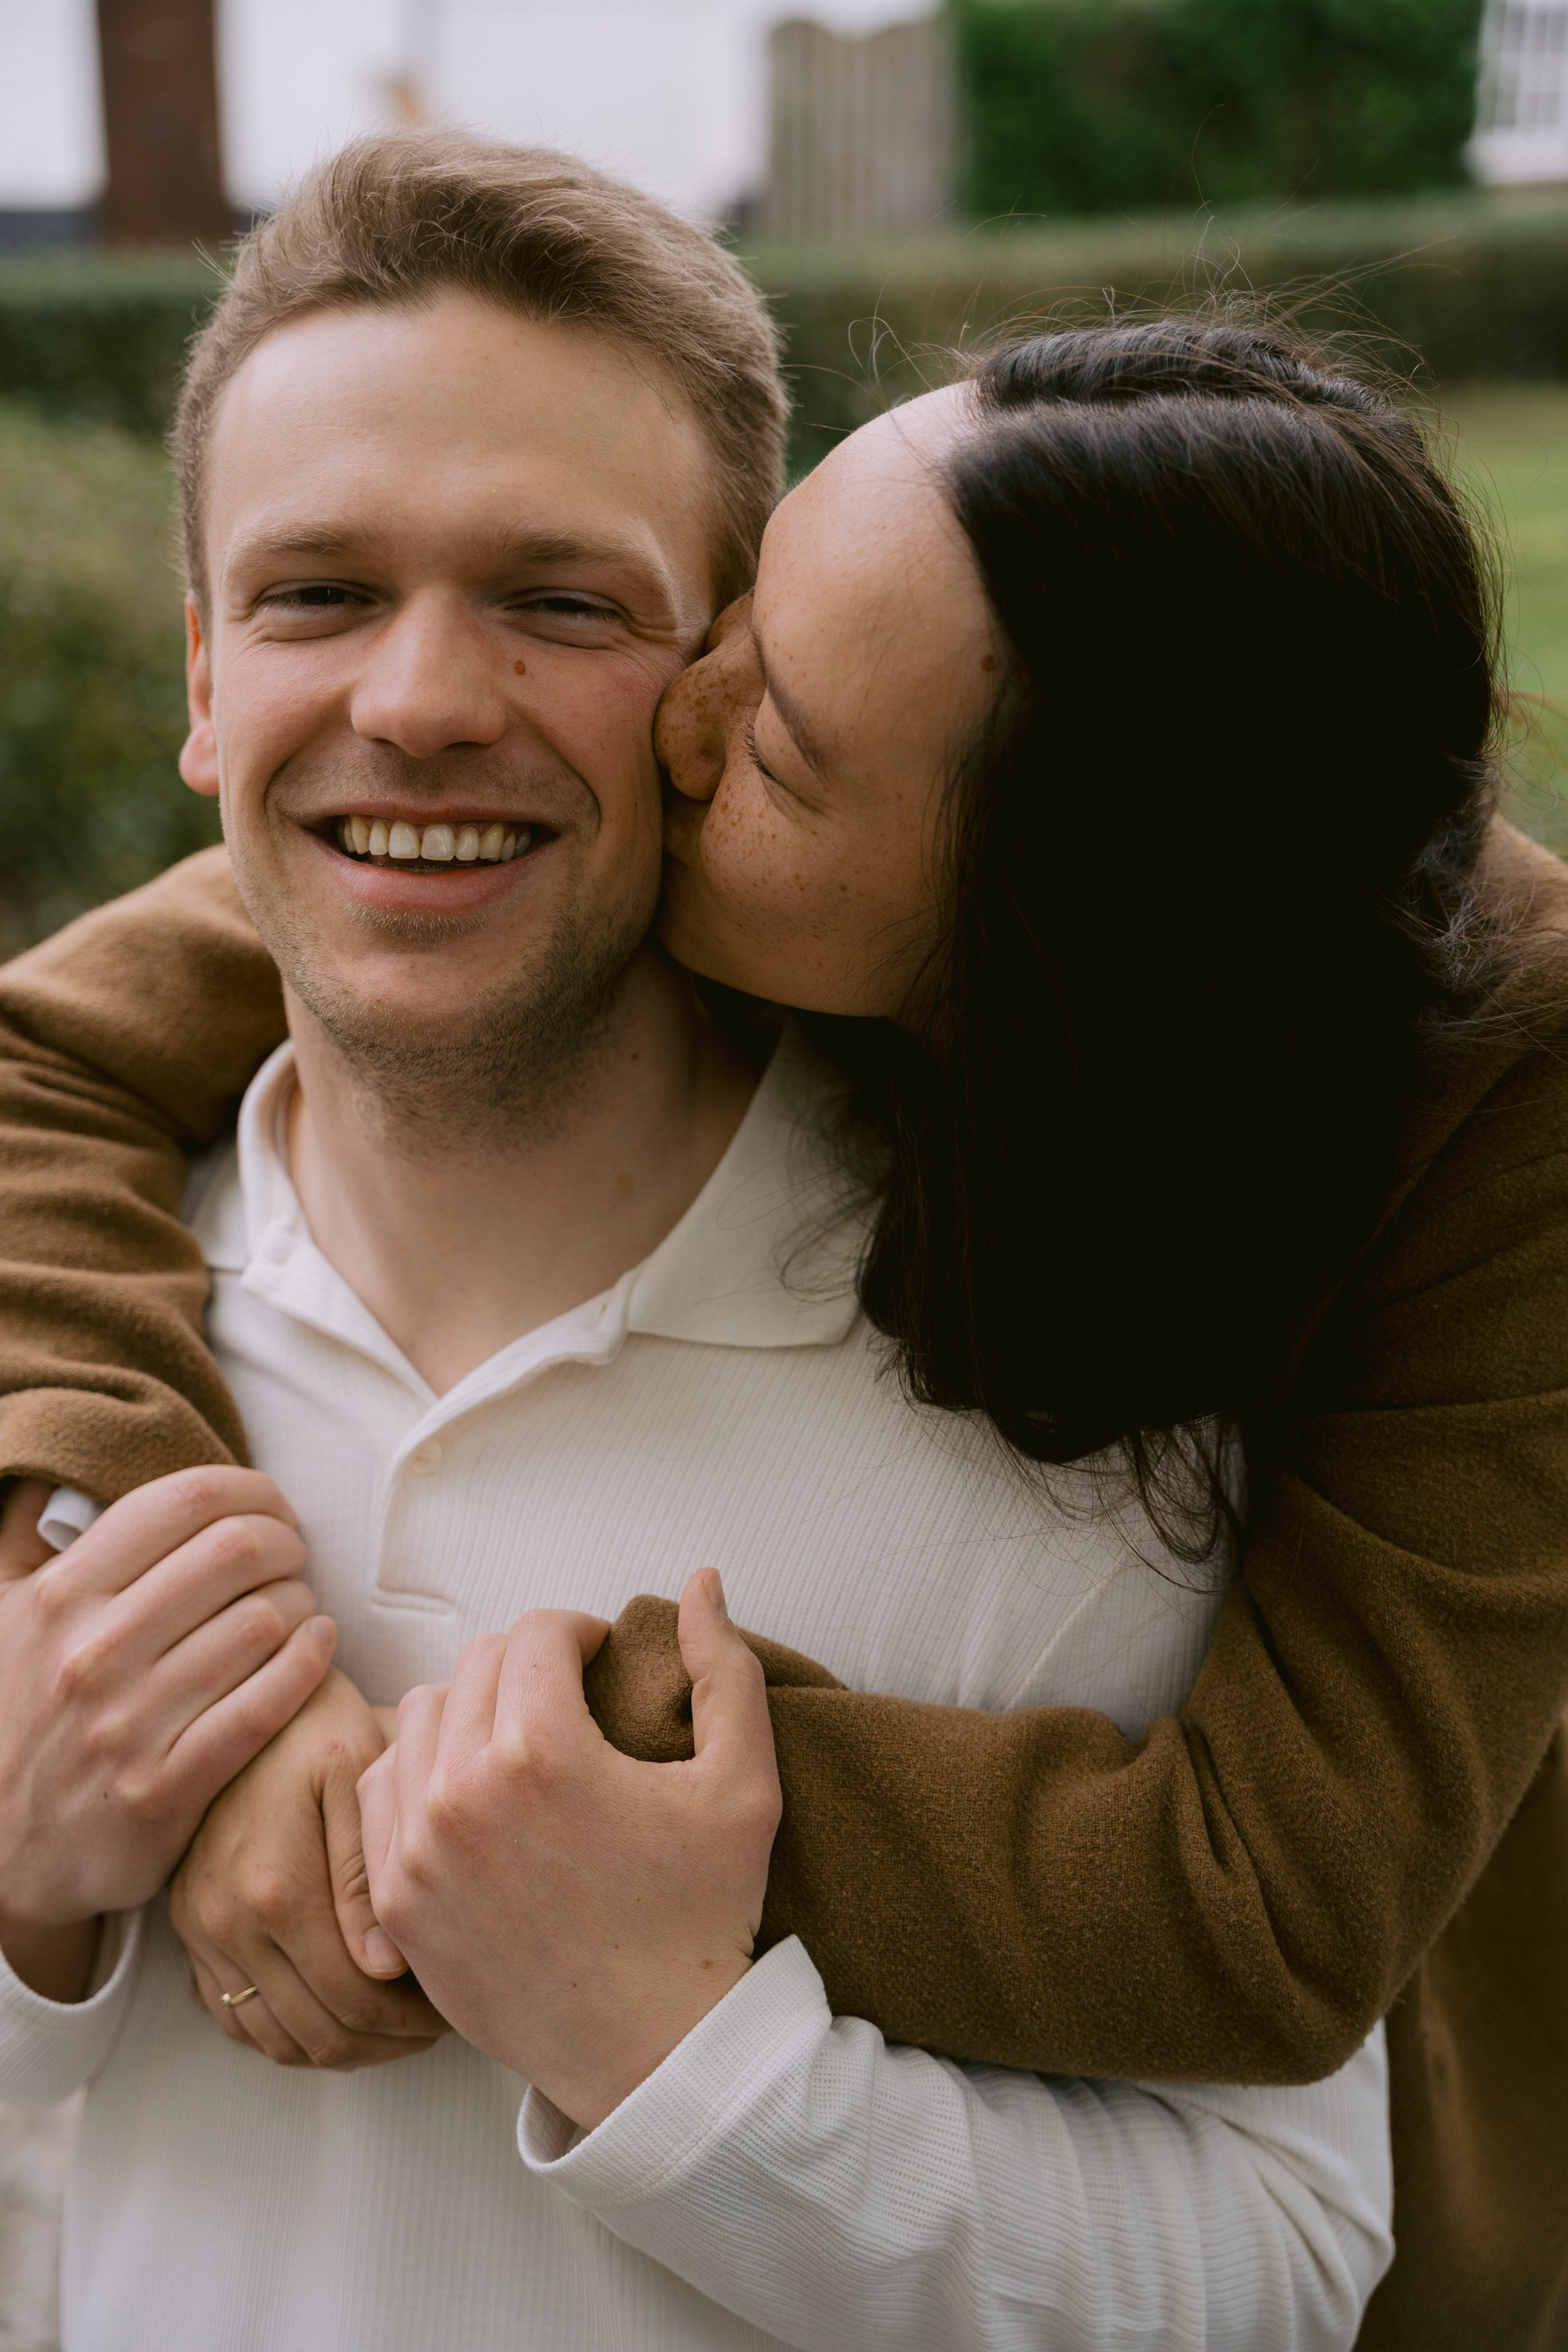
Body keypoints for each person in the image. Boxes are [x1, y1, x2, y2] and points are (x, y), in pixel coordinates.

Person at [1, 133, 1565, 2350]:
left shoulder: (1100, 1416)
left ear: (1007, 930)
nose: (443, 702)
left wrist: (574, 1835)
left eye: (577, 609)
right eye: (315, 594)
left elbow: (1271, 1984)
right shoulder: (154, 1249)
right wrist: (104, 1761)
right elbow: (55, 1036)